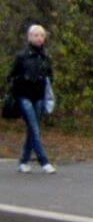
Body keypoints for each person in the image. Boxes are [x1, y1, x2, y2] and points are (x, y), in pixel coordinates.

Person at [7, 24, 56, 174]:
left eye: (42, 35)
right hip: (23, 96)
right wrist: (22, 82)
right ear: (29, 37)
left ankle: (23, 161)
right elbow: (11, 76)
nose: (39, 38)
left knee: (32, 129)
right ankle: (44, 161)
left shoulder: (45, 56)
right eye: (36, 35)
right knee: (34, 127)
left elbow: (50, 76)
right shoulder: (21, 56)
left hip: (39, 96)